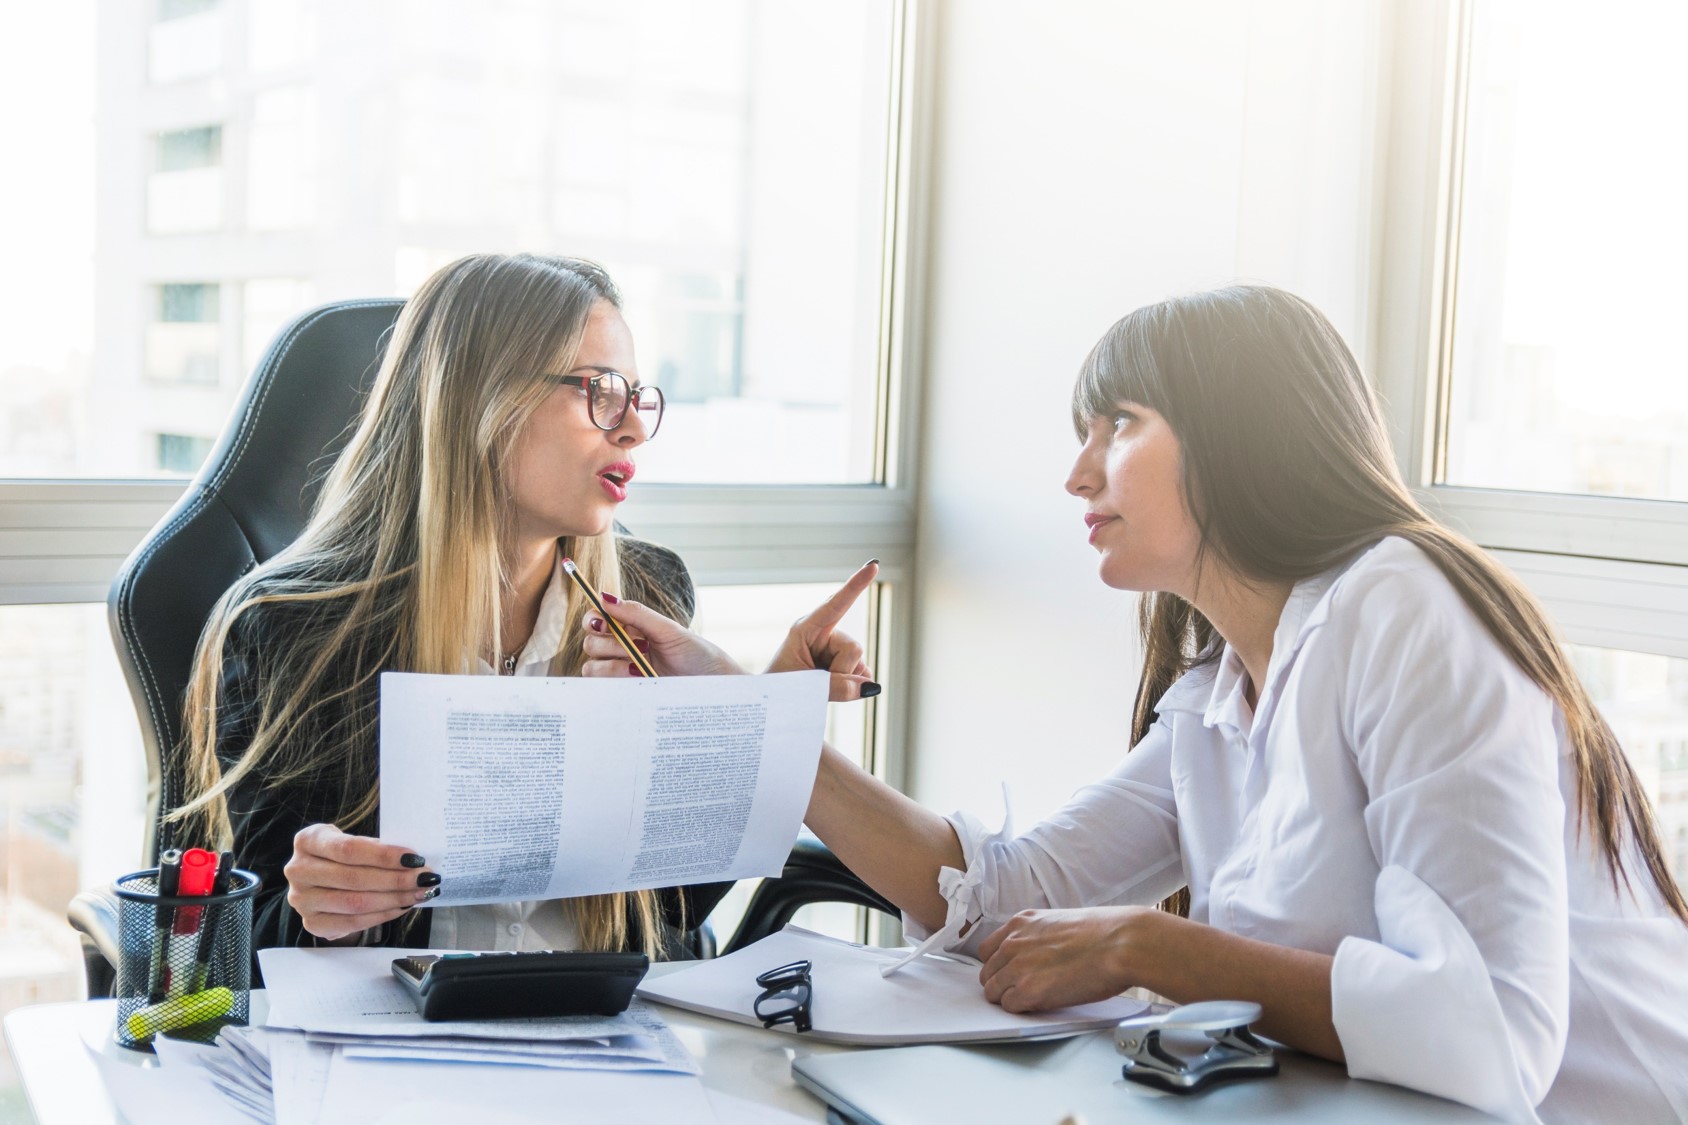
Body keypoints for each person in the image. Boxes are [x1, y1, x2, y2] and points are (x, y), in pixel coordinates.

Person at [586, 286, 1688, 1122]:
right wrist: (743, 714)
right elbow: (1007, 894)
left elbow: (1489, 1036)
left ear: (1237, 432)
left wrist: (1154, 950)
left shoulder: (1400, 603)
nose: (1077, 474)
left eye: (1116, 422)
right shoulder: (1221, 691)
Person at [170, 252, 733, 961]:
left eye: (636, 397)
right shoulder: (292, 625)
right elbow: (242, 946)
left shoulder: (650, 597)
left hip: (607, 1040)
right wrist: (323, 904)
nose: (630, 430)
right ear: (480, 399)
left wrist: (748, 730)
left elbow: (672, 909)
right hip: (394, 1048)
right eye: (598, 389)